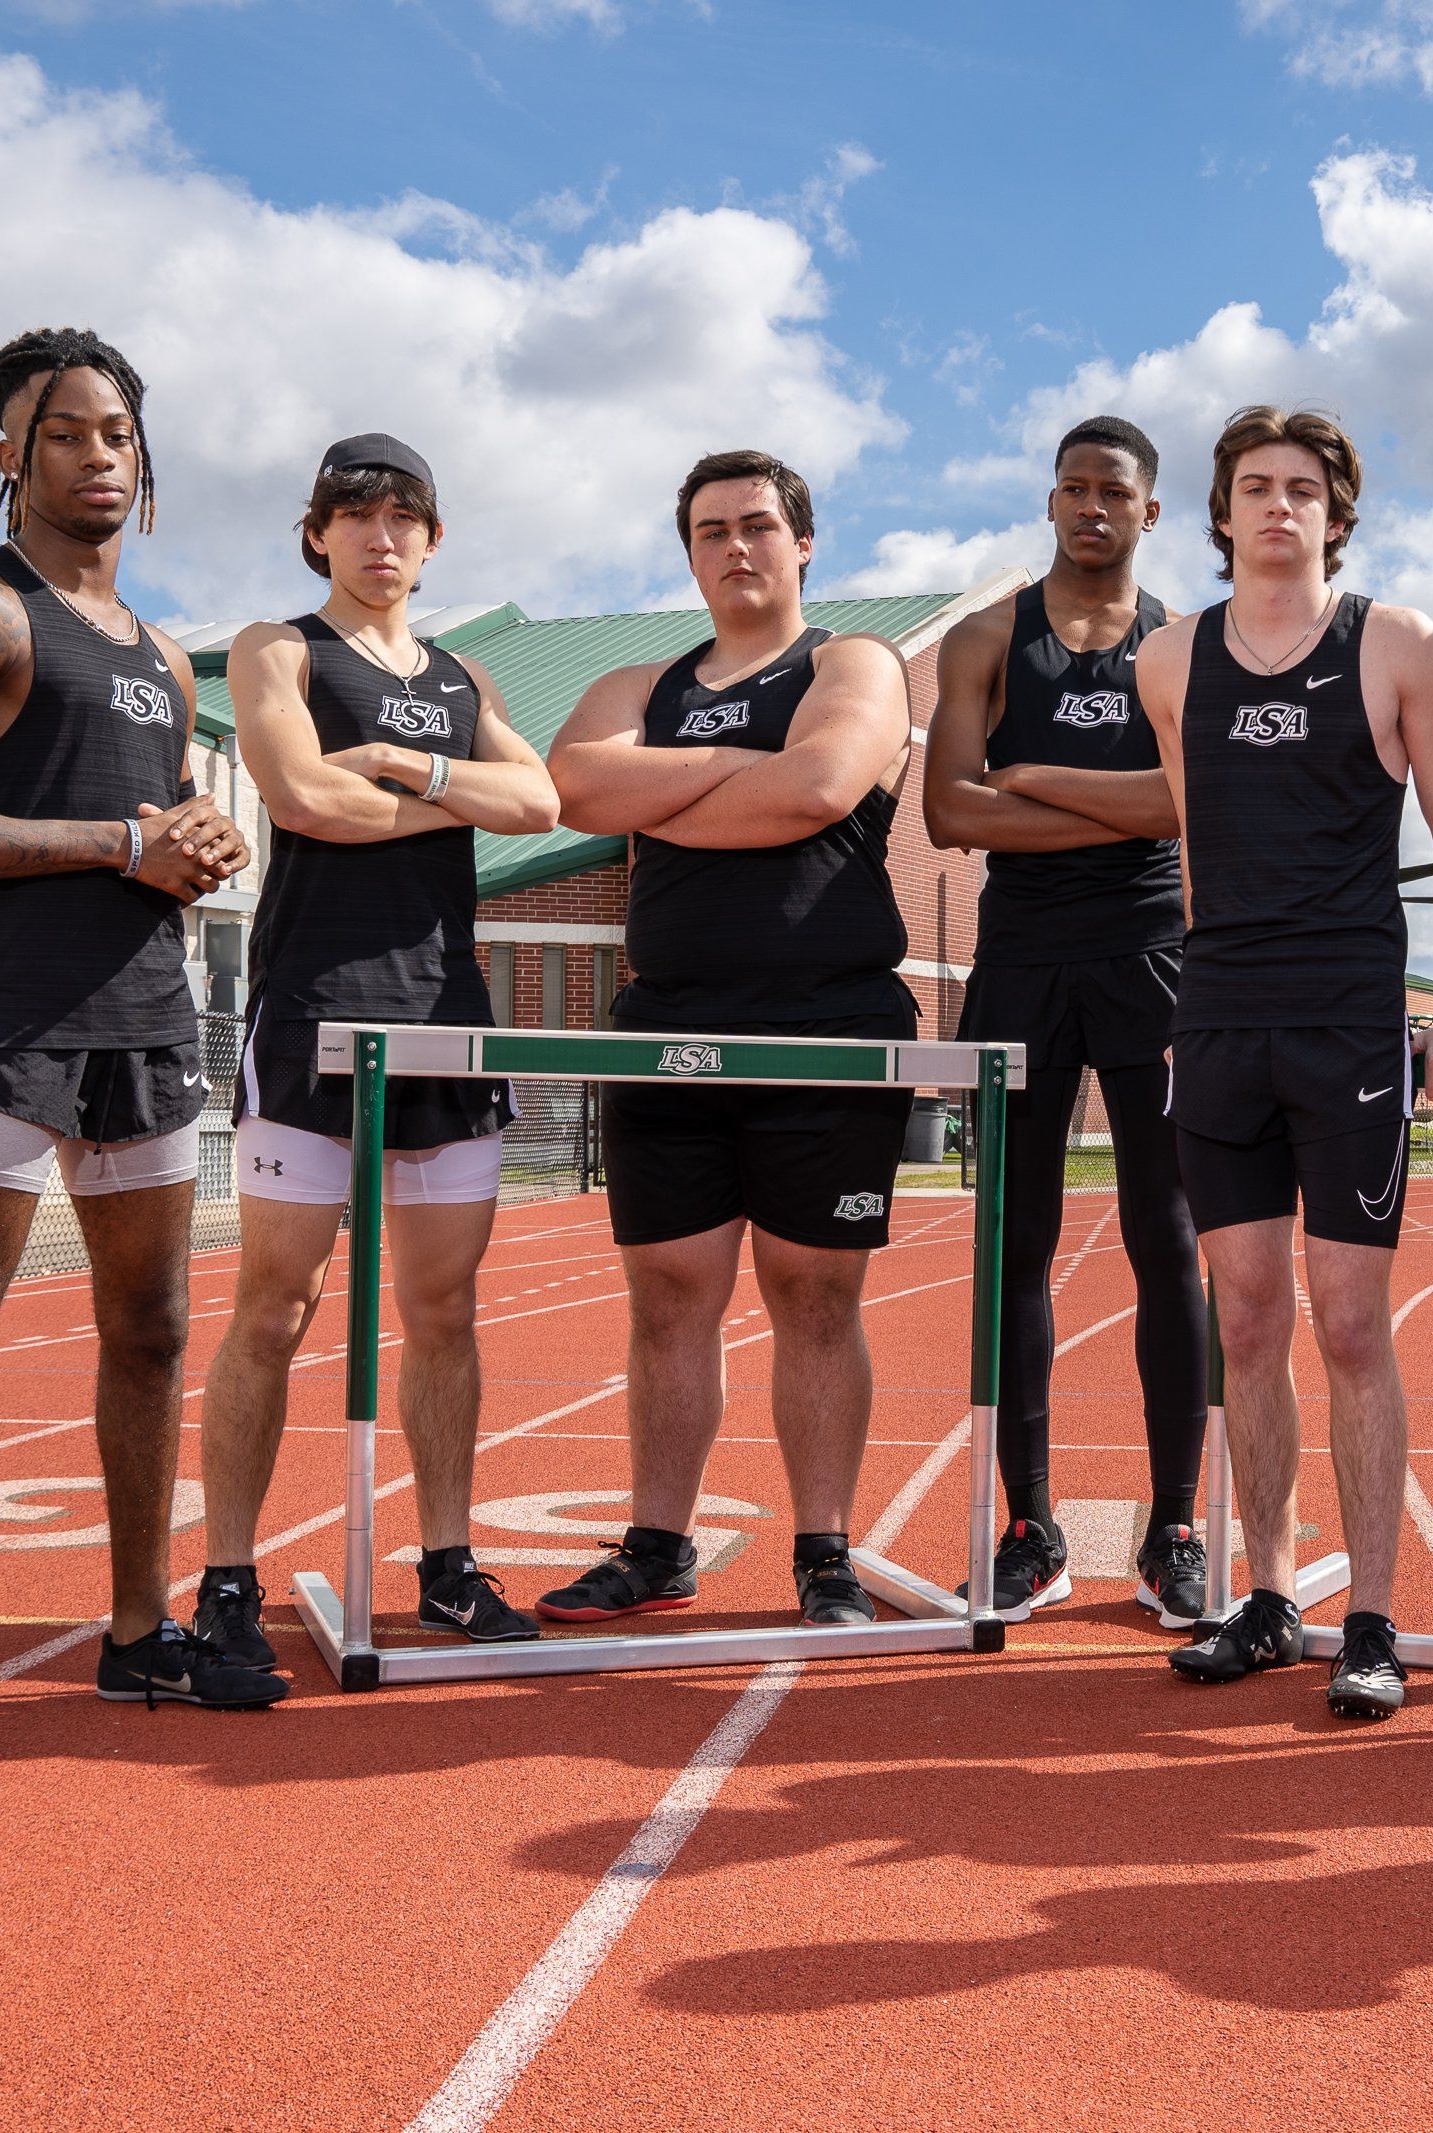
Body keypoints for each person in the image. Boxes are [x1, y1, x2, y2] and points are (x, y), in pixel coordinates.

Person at [0, 327, 277, 1782]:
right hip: (13, 1020)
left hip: (147, 1022)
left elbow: (156, 830)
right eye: (67, 432)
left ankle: (139, 1630)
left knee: (150, 1333)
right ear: (11, 456)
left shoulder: (161, 656)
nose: (99, 455)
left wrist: (198, 839)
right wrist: (119, 843)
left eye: (119, 434)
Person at [1137, 405, 1433, 1721]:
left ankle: (1373, 1617)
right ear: (1221, 512)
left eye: (1301, 488)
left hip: (1346, 1021)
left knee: (1346, 1320)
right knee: (1243, 1320)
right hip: (1221, 1019)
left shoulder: (1398, 644)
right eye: (1254, 487)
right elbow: (1191, 842)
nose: (1276, 506)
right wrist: (1193, 1002)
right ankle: (1270, 1594)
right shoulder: (1169, 660)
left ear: (1335, 514)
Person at [191, 434, 561, 1672]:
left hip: (445, 1017)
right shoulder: (280, 649)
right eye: (355, 514)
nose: (380, 534)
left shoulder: (464, 677)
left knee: (442, 1309)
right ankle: (228, 1582)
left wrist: (402, 765)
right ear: (319, 535)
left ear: (433, 540)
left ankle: (447, 1564)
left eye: (403, 516)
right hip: (314, 1010)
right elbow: (301, 799)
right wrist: (452, 798)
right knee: (274, 1307)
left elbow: (539, 804)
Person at [537, 450, 919, 1630]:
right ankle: (658, 1545)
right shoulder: (634, 684)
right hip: (668, 1028)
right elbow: (572, 790)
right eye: (711, 530)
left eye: (757, 525)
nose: (735, 546)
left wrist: (662, 792)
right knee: (666, 1296)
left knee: (814, 1294)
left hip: (827, 1025)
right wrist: (747, 768)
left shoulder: (853, 663)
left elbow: (820, 788)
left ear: (802, 543)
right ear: (690, 554)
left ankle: (823, 1552)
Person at [922, 416, 1209, 1625]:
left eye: (1115, 492)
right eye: (1073, 488)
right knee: (1015, 1243)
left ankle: (1174, 1526)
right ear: (1049, 502)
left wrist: (1031, 779)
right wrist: (1122, 807)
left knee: (1168, 1237)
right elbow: (947, 813)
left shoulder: (1183, 645)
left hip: (1152, 959)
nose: (1092, 507)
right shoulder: (988, 639)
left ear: (1150, 512)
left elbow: (1190, 806)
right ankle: (1029, 1528)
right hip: (1023, 962)